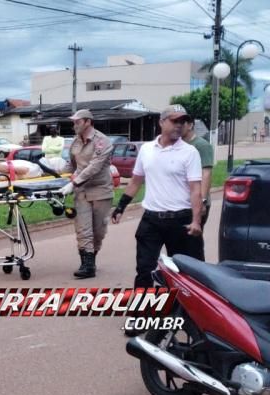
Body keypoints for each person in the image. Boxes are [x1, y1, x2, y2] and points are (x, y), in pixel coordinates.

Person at [111, 105, 203, 289]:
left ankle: (181, 311)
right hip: (152, 219)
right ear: (161, 122)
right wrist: (120, 207)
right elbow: (135, 181)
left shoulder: (189, 152)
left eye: (182, 121)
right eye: (174, 121)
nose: (179, 125)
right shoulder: (146, 149)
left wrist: (196, 221)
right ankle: (142, 311)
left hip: (181, 220)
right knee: (145, 269)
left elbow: (195, 189)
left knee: (183, 271)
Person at [57, 109, 114, 279]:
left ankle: (91, 258)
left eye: (77, 122)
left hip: (100, 190)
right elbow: (71, 165)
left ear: (88, 122)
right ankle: (87, 265)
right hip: (81, 191)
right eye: (74, 122)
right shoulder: (75, 143)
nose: (74, 125)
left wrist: (73, 183)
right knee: (83, 229)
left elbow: (94, 167)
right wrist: (57, 176)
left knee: (98, 231)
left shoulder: (102, 141)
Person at [182, 116, 214, 229]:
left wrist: (202, 201)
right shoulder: (178, 145)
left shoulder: (202, 145)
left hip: (197, 202)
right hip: (182, 202)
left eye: (182, 123)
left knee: (193, 240)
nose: (178, 126)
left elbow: (206, 173)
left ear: (190, 125)